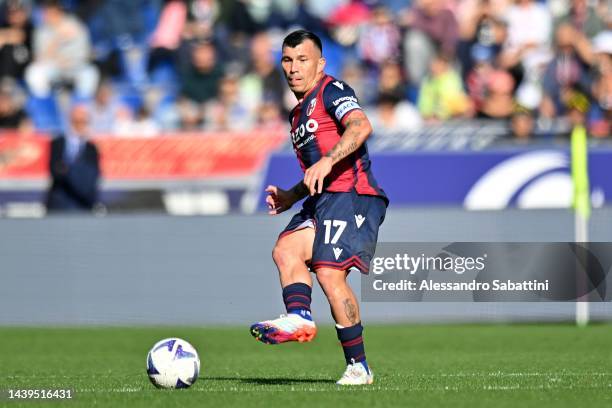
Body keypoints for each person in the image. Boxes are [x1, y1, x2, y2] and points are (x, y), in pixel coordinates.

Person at [249, 30, 388, 386]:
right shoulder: (296, 114)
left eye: (302, 59)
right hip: (322, 199)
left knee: (328, 272)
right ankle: (299, 316)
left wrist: (327, 160)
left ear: (320, 63)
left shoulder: (332, 90)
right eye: (287, 60)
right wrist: (290, 196)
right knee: (285, 249)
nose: (293, 68)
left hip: (353, 194)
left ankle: (359, 366)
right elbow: (315, 174)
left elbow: (361, 126)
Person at [46, 104, 100, 212]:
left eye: (83, 122)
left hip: (82, 203)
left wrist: (69, 170)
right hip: (60, 202)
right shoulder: (58, 143)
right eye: (77, 122)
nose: (80, 126)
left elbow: (92, 175)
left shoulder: (92, 148)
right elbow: (55, 170)